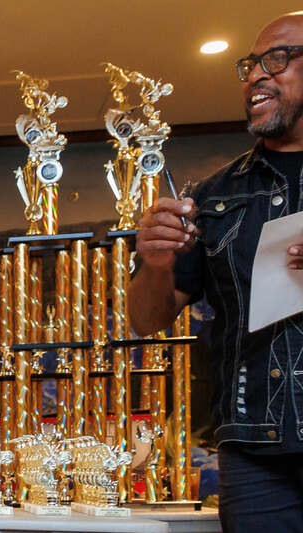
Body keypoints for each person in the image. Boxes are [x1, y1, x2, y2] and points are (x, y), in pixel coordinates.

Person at [129, 11, 303, 532]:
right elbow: (146, 319)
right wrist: (157, 263)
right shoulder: (212, 197)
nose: (256, 76)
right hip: (255, 452)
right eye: (250, 65)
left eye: (278, 58)